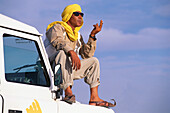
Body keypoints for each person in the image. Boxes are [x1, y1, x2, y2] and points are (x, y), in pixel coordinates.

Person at [44, 4, 116, 108]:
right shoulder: (57, 28)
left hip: (67, 68)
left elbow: (87, 55)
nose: (80, 17)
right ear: (69, 16)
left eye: (81, 14)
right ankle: (68, 91)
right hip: (52, 68)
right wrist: (71, 52)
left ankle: (94, 98)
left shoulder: (77, 36)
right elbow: (57, 41)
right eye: (76, 14)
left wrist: (92, 36)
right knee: (63, 53)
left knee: (94, 61)